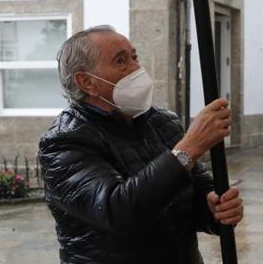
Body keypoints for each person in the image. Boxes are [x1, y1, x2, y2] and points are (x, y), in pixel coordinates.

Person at [39, 25, 243, 264]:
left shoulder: (163, 122)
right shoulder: (64, 142)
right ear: (87, 82)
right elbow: (117, 212)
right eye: (121, 61)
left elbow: (195, 189)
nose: (137, 69)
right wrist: (189, 148)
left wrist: (214, 209)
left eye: (134, 57)